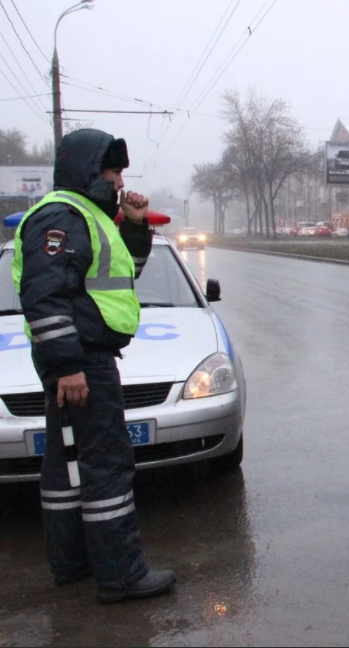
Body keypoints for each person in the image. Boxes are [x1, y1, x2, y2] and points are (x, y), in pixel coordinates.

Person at [11, 128, 176, 603]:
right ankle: (121, 574)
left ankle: (73, 563)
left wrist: (136, 224)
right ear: (89, 169)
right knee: (106, 463)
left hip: (80, 357)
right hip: (81, 359)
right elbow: (45, 296)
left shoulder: (91, 216)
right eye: (112, 169)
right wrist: (67, 365)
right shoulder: (62, 216)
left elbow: (125, 272)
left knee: (67, 462)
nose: (120, 178)